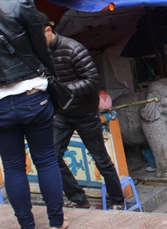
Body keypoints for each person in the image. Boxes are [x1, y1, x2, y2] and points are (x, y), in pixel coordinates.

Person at [0, 0, 67, 229]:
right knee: (46, 160)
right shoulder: (20, 4)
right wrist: (53, 85)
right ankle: (57, 222)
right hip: (32, 96)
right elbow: (42, 53)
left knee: (12, 167)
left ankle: (26, 225)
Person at [42, 16, 125, 210]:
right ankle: (78, 198)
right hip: (62, 114)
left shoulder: (74, 49)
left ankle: (118, 201)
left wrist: (64, 89)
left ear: (48, 30)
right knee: (51, 156)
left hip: (86, 113)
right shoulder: (41, 53)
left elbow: (92, 81)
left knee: (101, 160)